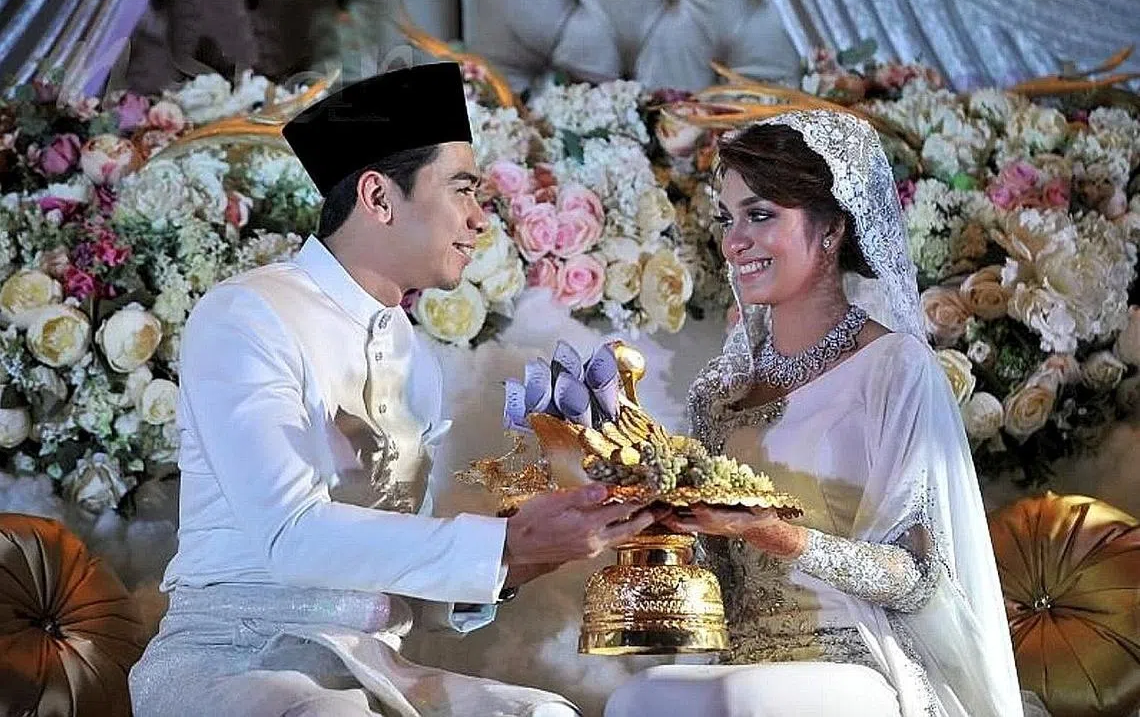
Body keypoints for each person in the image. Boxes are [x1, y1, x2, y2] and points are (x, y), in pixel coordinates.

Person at [128, 62, 655, 717]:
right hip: (237, 655)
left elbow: (397, 567)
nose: (480, 220)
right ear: (379, 198)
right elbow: (292, 534)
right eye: (462, 191)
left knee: (543, 714)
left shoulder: (413, 356)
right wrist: (501, 545)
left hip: (372, 662)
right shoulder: (248, 314)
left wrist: (524, 556)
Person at [604, 110, 1027, 717]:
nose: (734, 241)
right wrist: (651, 520)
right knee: (637, 698)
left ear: (831, 229)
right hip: (742, 658)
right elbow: (717, 576)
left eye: (759, 215)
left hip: (859, 657)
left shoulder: (894, 368)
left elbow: (919, 577)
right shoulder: (720, 391)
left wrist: (775, 534)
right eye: (727, 219)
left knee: (739, 699)